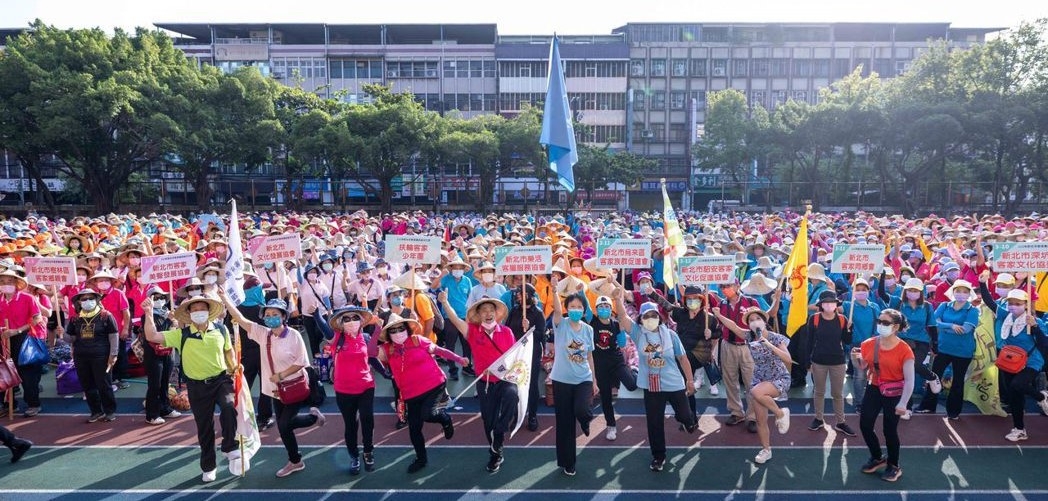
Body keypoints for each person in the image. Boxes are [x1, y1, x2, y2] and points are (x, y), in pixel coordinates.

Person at [218, 293, 325, 478]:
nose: (271, 318)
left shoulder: (294, 336)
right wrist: (225, 299)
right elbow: (241, 319)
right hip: (275, 390)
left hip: (293, 386)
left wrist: (281, 375)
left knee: (284, 425)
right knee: (286, 427)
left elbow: (302, 362)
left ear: (284, 316)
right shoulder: (263, 334)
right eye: (267, 315)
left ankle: (296, 460)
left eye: (275, 314)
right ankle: (309, 426)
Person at [143, 294, 239, 483]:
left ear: (209, 311)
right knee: (205, 428)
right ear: (189, 314)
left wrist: (234, 365)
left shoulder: (221, 329)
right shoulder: (182, 334)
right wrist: (148, 313)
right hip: (196, 386)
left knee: (229, 407)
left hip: (221, 380)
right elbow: (151, 336)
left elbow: (228, 350)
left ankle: (230, 446)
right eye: (194, 310)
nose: (198, 312)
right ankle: (209, 467)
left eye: (202, 309)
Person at [612, 292, 698, 472]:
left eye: (653, 315)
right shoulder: (638, 334)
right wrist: (617, 299)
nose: (650, 319)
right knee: (654, 422)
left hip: (674, 383)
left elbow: (683, 359)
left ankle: (686, 420)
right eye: (646, 316)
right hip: (652, 387)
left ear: (659, 317)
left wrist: (690, 381)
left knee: (685, 416)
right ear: (641, 319)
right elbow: (622, 316)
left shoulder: (671, 335)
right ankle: (659, 456)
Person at [376, 313, 467, 474]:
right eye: (393, 330)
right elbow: (370, 353)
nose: (398, 333)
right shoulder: (387, 349)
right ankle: (421, 458)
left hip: (434, 384)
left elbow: (439, 350)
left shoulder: (418, 340)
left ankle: (445, 419)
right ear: (388, 334)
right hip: (410, 393)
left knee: (428, 414)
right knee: (414, 429)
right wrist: (377, 328)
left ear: (407, 329)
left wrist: (459, 359)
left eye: (401, 329)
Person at [439, 293, 518, 473]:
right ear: (479, 315)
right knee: (487, 420)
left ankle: (501, 430)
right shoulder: (472, 332)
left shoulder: (507, 332)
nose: (488, 314)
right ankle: (495, 454)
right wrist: (444, 302)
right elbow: (455, 320)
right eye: (484, 311)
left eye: (491, 310)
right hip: (484, 383)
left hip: (505, 380)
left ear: (496, 313)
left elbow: (515, 357)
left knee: (512, 396)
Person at [713, 306, 792, 465]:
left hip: (778, 378)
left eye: (758, 319)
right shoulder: (749, 336)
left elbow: (788, 359)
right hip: (759, 379)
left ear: (764, 321)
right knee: (761, 419)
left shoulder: (776, 338)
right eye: (751, 320)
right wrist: (719, 315)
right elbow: (733, 327)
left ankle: (780, 413)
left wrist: (769, 345)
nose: (755, 322)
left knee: (755, 392)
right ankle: (766, 450)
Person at [975, 275, 1048, 441]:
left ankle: (1041, 396)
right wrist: (981, 282)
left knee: (1018, 384)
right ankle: (1019, 429)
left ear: (1026, 305)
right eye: (1011, 303)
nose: (1013, 306)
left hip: (1031, 362)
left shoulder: (1034, 321)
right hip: (1009, 361)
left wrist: (1035, 327)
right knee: (1014, 394)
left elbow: (1045, 343)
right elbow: (989, 301)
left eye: (1018, 303)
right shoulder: (1004, 315)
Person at [855, 308, 916, 482]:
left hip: (894, 392)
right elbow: (864, 366)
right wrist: (858, 360)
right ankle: (877, 457)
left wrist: (903, 403)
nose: (881, 325)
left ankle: (894, 465)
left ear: (896, 327)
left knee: (889, 430)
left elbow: (910, 381)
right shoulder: (868, 344)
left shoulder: (905, 351)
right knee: (865, 424)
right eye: (879, 321)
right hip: (874, 387)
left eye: (886, 323)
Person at [548, 286, 596, 477]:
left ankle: (585, 421)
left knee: (582, 410)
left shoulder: (588, 329)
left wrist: (594, 379)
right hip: (561, 380)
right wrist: (554, 290)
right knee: (564, 423)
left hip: (583, 378)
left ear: (584, 310)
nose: (576, 309)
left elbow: (590, 356)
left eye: (579, 307)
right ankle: (568, 462)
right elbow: (557, 311)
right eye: (572, 306)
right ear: (568, 308)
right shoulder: (561, 324)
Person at [916, 280, 978, 419]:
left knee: (958, 381)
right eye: (958, 291)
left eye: (965, 291)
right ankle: (928, 406)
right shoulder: (944, 305)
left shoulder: (972, 310)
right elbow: (934, 322)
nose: (961, 294)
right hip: (943, 349)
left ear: (969, 294)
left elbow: (965, 330)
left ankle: (953, 412)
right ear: (953, 292)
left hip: (963, 352)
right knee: (934, 377)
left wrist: (944, 327)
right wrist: (951, 326)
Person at [327, 306, 378, 475]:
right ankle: (354, 456)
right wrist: (315, 314)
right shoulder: (337, 339)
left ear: (360, 321)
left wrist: (387, 373)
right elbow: (323, 328)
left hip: (366, 386)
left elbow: (372, 355)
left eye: (354, 317)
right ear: (341, 323)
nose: (351, 321)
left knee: (367, 419)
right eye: (346, 319)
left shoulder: (365, 336)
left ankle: (368, 452)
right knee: (350, 425)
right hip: (343, 390)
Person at [801, 290, 855, 436]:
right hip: (818, 361)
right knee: (819, 391)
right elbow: (809, 342)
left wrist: (849, 330)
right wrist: (808, 362)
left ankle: (840, 422)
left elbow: (847, 341)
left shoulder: (843, 319)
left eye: (832, 302)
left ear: (836, 304)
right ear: (821, 305)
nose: (829, 305)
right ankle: (818, 419)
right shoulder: (814, 319)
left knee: (837, 394)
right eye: (826, 302)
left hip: (838, 361)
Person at [62, 287, 120, 423]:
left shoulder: (105, 316)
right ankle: (96, 411)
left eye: (91, 298)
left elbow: (114, 336)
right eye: (84, 299)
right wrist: (62, 333)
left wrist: (113, 354)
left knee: (104, 384)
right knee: (87, 385)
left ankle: (109, 411)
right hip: (81, 356)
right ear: (79, 302)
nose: (88, 301)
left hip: (101, 356)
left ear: (97, 300)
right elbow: (70, 339)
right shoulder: (75, 319)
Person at [588, 295, 638, 441]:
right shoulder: (593, 322)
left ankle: (634, 371)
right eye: (601, 307)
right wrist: (581, 292)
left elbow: (622, 344)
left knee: (631, 385)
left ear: (611, 309)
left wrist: (622, 330)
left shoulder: (616, 324)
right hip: (600, 366)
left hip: (616, 362)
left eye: (607, 307)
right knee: (606, 398)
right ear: (596, 310)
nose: (604, 309)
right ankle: (611, 425)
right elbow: (584, 304)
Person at [890, 278, 941, 418]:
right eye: (910, 290)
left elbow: (932, 326)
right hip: (901, 341)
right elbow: (882, 294)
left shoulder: (926, 306)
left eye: (916, 290)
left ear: (921, 292)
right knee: (905, 374)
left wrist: (935, 345)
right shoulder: (898, 303)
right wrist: (882, 276)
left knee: (914, 366)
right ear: (905, 291)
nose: (912, 292)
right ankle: (907, 407)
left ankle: (931, 376)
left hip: (921, 341)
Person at [716, 279, 760, 433]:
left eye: (727, 285)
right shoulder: (720, 305)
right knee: (730, 380)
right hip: (728, 345)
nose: (724, 289)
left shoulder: (751, 301)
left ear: (737, 286)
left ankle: (753, 416)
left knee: (751, 383)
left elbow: (760, 322)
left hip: (748, 347)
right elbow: (718, 326)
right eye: (722, 286)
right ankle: (736, 412)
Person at [0, 270, 45, 418]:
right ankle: (8, 404)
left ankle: (33, 404)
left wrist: (17, 331)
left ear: (16, 283)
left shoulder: (27, 298)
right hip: (3, 339)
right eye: (3, 282)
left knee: (27, 373)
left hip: (23, 338)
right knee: (5, 372)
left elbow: (37, 318)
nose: (6, 285)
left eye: (10, 281)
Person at [504, 283, 548, 432]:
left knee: (532, 386)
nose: (517, 295)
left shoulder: (538, 313)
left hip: (531, 354)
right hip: (516, 354)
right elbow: (507, 329)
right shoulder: (515, 311)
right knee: (515, 385)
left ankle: (532, 416)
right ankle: (516, 415)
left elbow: (541, 334)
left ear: (529, 295)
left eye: (520, 293)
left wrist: (529, 328)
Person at [140, 286, 181, 425]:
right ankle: (151, 414)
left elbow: (172, 333)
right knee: (155, 384)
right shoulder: (147, 315)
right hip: (153, 354)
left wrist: (174, 322)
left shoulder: (169, 314)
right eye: (155, 298)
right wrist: (150, 313)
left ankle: (165, 408)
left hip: (168, 352)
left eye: (162, 297)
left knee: (165, 383)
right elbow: (153, 334)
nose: (159, 300)